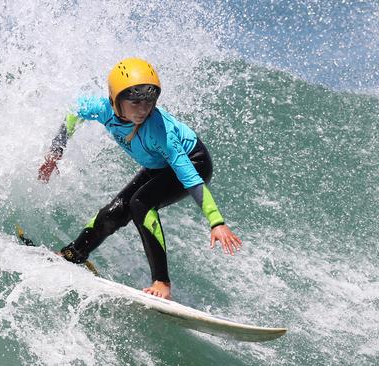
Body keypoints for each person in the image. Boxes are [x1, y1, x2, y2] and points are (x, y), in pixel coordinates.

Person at [38, 57, 241, 300]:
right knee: (112, 213)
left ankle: (162, 281)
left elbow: (191, 179)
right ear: (115, 100)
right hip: (158, 165)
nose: (143, 109)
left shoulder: (158, 130)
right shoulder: (102, 109)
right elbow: (74, 112)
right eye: (134, 102)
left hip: (193, 162)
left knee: (140, 203)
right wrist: (55, 152)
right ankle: (73, 254)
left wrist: (216, 221)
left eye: (149, 102)